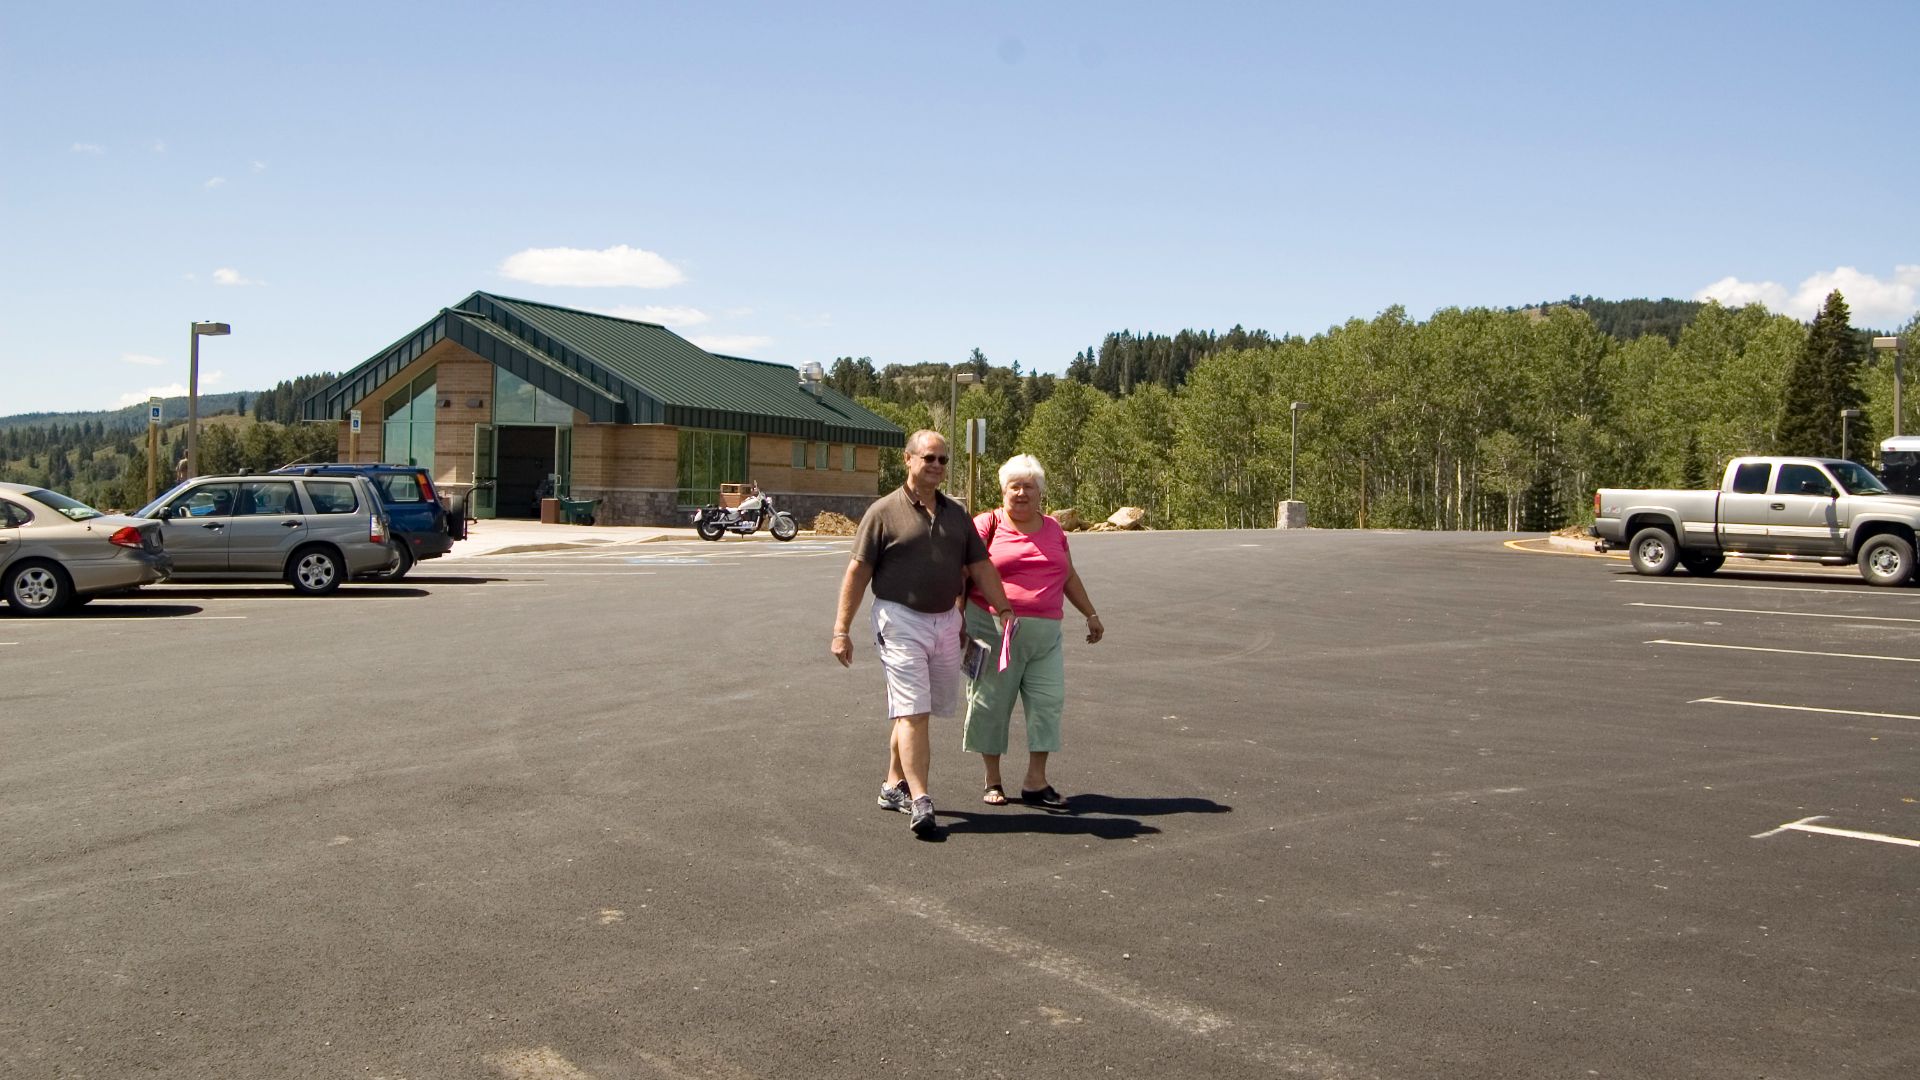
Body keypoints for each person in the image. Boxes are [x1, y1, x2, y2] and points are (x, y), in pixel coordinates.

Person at [832, 430, 1014, 837]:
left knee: (917, 708)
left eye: (943, 460)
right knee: (913, 711)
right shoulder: (883, 512)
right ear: (908, 460)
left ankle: (891, 784)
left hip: (945, 620)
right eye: (929, 458)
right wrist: (841, 629)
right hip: (899, 620)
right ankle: (920, 799)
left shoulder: (956, 514)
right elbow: (857, 572)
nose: (936, 466)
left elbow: (980, 566)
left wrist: (1002, 606)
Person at [962, 454, 1103, 809]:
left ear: (1040, 492)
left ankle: (1035, 781)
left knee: (1047, 704)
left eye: (1029, 487)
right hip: (992, 630)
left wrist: (1090, 613)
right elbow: (963, 572)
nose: (1022, 493)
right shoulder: (987, 524)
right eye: (1015, 486)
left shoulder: (1054, 528)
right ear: (1003, 490)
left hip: (1045, 637)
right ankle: (992, 780)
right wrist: (954, 616)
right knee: (990, 704)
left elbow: (1068, 575)